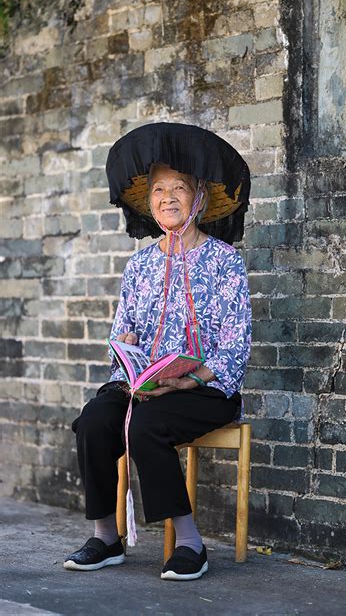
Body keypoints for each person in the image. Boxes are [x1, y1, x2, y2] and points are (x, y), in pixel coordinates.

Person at [63, 159, 252, 580]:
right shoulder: (139, 265)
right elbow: (121, 332)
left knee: (145, 424)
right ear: (150, 203)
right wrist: (126, 348)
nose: (168, 198)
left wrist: (186, 379)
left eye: (179, 188)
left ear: (199, 197)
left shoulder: (226, 263)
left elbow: (235, 347)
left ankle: (190, 544)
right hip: (140, 385)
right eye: (159, 190)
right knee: (94, 420)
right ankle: (106, 537)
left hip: (203, 388)